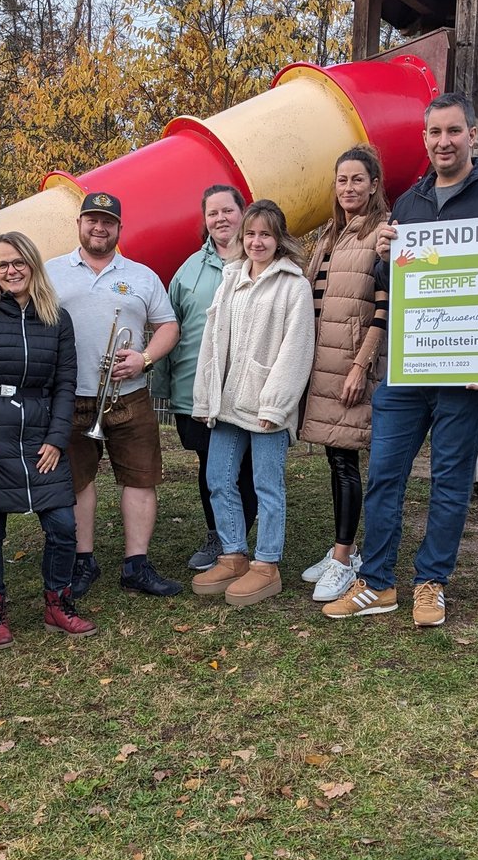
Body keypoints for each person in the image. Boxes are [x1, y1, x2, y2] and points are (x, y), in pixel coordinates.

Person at [324, 92, 478, 624]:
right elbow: (390, 287)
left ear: (474, 135)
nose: (444, 142)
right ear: (424, 139)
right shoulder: (409, 204)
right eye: (435, 133)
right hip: (407, 365)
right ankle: (378, 583)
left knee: (450, 478)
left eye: (454, 131)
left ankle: (431, 582)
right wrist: (386, 258)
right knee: (385, 474)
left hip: (468, 371)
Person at [0, 232, 95, 648]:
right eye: (2, 264)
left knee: (63, 526)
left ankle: (57, 604)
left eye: (18, 262)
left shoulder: (57, 319)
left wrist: (57, 438)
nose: (11, 271)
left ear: (32, 264)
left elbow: (66, 384)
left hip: (42, 434)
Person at [48, 191, 183, 599]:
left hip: (129, 394)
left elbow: (168, 327)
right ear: (80, 225)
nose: (99, 228)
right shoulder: (51, 271)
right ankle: (82, 560)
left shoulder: (142, 275)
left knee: (140, 478)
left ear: (119, 229)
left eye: (108, 222)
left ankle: (135, 565)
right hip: (71, 396)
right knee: (76, 481)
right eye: (92, 220)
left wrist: (143, 358)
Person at [189, 200, 315, 606]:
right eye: (251, 234)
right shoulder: (230, 280)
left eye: (265, 234)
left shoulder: (293, 284)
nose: (257, 241)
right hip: (227, 402)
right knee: (218, 479)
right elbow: (212, 342)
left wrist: (276, 405)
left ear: (279, 239)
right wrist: (206, 395)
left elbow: (297, 348)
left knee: (267, 486)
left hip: (265, 407)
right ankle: (232, 554)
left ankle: (266, 564)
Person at [297, 145, 392, 602]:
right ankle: (344, 549)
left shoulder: (381, 234)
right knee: (336, 459)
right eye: (342, 180)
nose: (348, 187)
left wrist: (361, 364)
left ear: (374, 184)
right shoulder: (329, 236)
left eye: (357, 179)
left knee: (346, 457)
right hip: (322, 362)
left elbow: (383, 306)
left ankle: (343, 557)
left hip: (351, 363)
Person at [165, 185, 257, 571]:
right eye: (212, 213)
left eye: (228, 210)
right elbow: (173, 326)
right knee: (210, 466)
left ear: (243, 212)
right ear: (204, 220)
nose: (221, 219)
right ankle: (218, 534)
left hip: (249, 388)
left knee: (248, 466)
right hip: (198, 391)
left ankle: (244, 535)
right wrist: (170, 389)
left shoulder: (262, 258)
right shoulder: (189, 270)